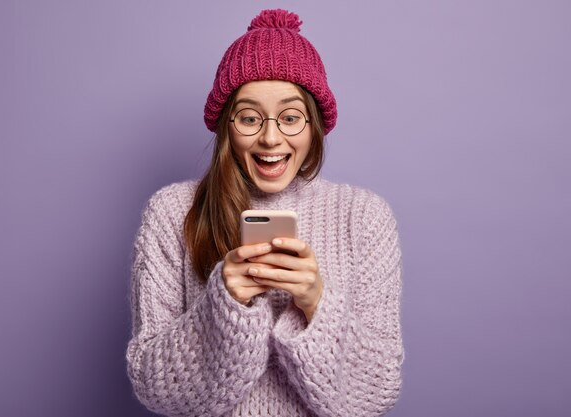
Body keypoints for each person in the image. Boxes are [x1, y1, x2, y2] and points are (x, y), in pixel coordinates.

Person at [126, 8, 404, 417]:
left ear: (314, 126)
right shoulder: (172, 212)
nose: (270, 137)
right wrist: (225, 305)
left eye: (291, 118)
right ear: (226, 125)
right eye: (250, 117)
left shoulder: (364, 218)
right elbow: (155, 386)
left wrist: (315, 303)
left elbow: (375, 395)